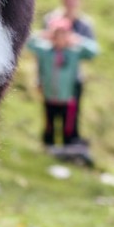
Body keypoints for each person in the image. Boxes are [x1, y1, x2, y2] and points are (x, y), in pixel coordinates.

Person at [27, 15, 98, 148]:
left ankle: (68, 146)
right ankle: (49, 146)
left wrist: (78, 40)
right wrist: (43, 35)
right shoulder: (45, 51)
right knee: (49, 125)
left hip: (67, 98)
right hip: (49, 97)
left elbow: (93, 52)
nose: (60, 38)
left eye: (63, 34)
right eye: (57, 34)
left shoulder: (73, 52)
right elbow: (28, 42)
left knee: (68, 127)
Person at [44, 0, 97, 142]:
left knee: (72, 112)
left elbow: (91, 52)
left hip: (73, 77)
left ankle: (70, 140)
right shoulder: (50, 20)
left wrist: (76, 42)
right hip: (52, 75)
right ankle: (50, 141)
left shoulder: (84, 25)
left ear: (78, 0)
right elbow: (42, 49)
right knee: (50, 111)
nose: (70, 1)